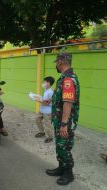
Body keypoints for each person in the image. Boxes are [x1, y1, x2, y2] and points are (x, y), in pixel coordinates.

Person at [46, 53, 80, 186]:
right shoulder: (64, 78)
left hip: (65, 121)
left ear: (60, 62)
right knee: (60, 146)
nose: (56, 65)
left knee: (64, 147)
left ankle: (69, 174)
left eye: (56, 62)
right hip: (59, 120)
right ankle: (61, 168)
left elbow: (68, 103)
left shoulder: (68, 80)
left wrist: (64, 124)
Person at [35, 76, 55, 143]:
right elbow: (44, 99)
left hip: (47, 111)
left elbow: (47, 103)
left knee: (47, 124)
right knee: (37, 119)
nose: (43, 83)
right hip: (42, 109)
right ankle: (42, 132)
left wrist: (38, 100)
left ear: (49, 83)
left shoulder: (50, 92)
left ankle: (49, 137)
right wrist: (39, 98)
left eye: (45, 82)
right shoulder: (46, 90)